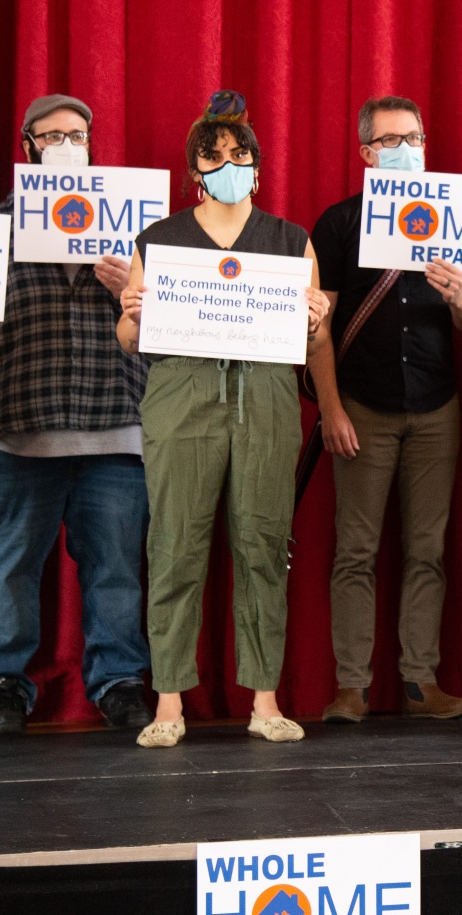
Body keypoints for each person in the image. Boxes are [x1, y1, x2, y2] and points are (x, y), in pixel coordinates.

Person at [116, 91, 330, 748]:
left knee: (263, 543)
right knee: (174, 543)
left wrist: (317, 320)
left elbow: (312, 341)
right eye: (214, 156)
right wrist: (131, 313)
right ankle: (169, 699)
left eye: (240, 154)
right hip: (181, 392)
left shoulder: (290, 240)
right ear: (195, 171)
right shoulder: (159, 240)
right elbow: (128, 336)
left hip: (266, 395)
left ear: (257, 168)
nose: (228, 164)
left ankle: (265, 698)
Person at [0, 95, 153, 737]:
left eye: (77, 135)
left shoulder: (137, 231)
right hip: (18, 428)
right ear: (28, 148)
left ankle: (120, 682)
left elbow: (177, 325)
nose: (66, 145)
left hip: (117, 426)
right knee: (7, 566)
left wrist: (131, 289)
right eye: (52, 136)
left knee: (117, 570)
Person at [308, 96, 462, 723]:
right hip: (363, 406)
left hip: (437, 406)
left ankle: (419, 684)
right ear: (366, 153)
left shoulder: (454, 216)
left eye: (413, 138)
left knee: (426, 549)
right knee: (355, 550)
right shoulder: (338, 223)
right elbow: (317, 326)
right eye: (390, 141)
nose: (405, 149)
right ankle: (352, 688)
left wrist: (459, 297)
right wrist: (331, 409)